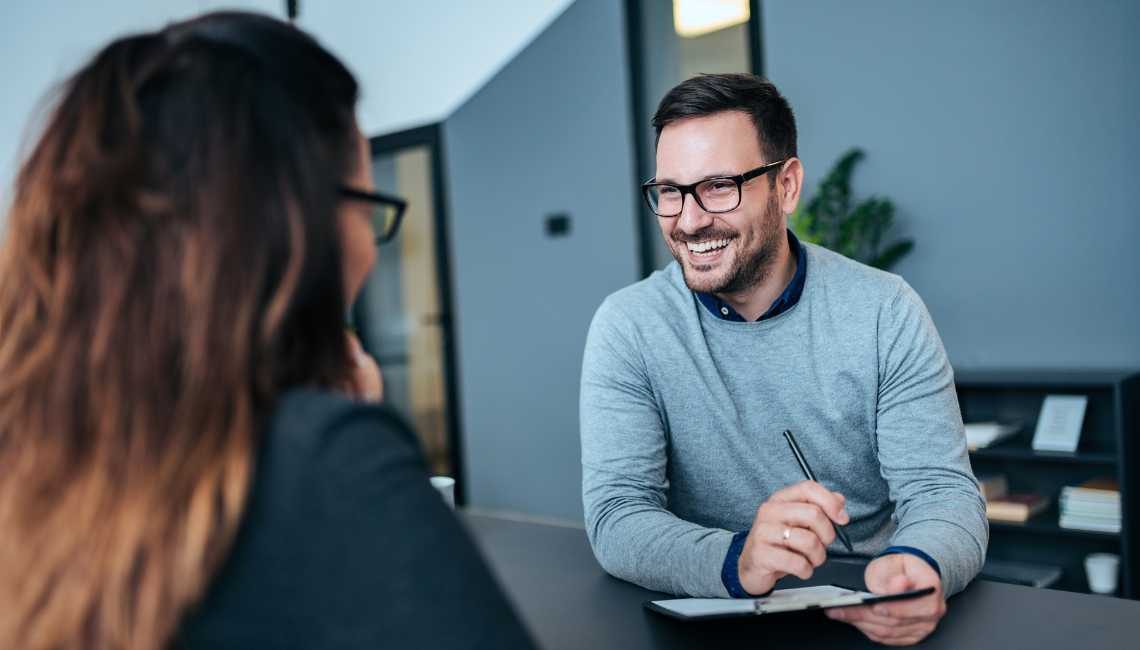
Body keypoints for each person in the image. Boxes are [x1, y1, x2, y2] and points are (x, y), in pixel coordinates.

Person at [0, 12, 533, 649]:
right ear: (297, 227)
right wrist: (346, 441)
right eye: (368, 206)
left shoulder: (32, 451)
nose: (370, 248)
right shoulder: (325, 461)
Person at [580, 73, 986, 646]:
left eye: (719, 185)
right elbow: (618, 516)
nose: (690, 220)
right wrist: (738, 560)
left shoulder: (884, 310)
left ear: (787, 186)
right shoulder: (629, 326)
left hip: (864, 614)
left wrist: (920, 563)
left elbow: (942, 492)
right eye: (670, 191)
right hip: (710, 617)